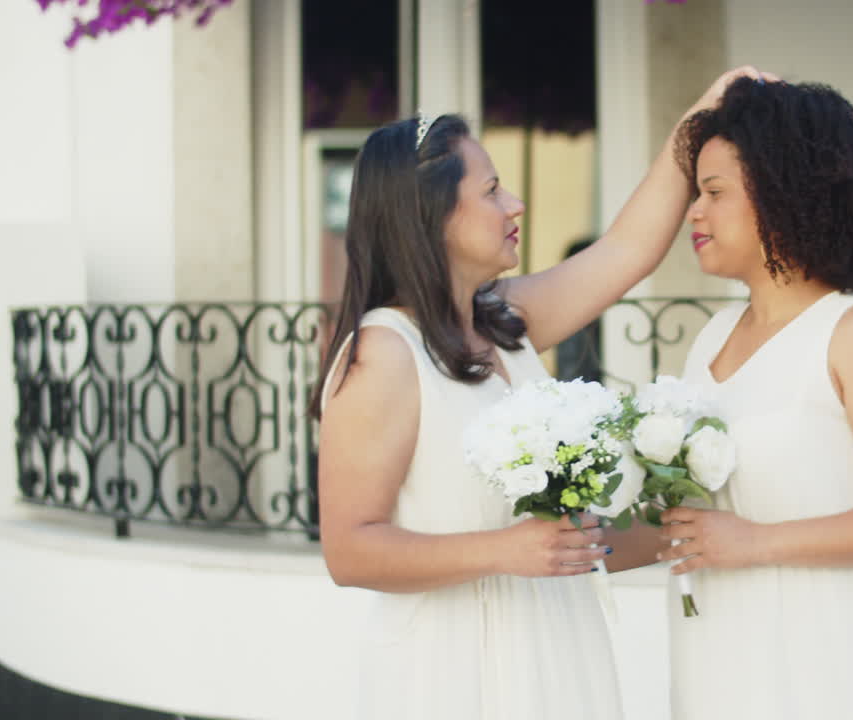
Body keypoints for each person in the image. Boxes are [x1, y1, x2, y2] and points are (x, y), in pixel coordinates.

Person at [310, 67, 773, 719]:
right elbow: (350, 549)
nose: (516, 205)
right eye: (493, 191)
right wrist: (503, 551)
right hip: (454, 669)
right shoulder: (384, 353)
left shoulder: (502, 322)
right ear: (432, 215)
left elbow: (626, 250)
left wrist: (705, 109)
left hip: (556, 645)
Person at [654, 77, 853, 719]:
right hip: (719, 661)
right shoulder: (709, 340)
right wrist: (572, 534)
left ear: (780, 197)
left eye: (714, 193)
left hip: (826, 667)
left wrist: (756, 543)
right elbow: (690, 523)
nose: (693, 213)